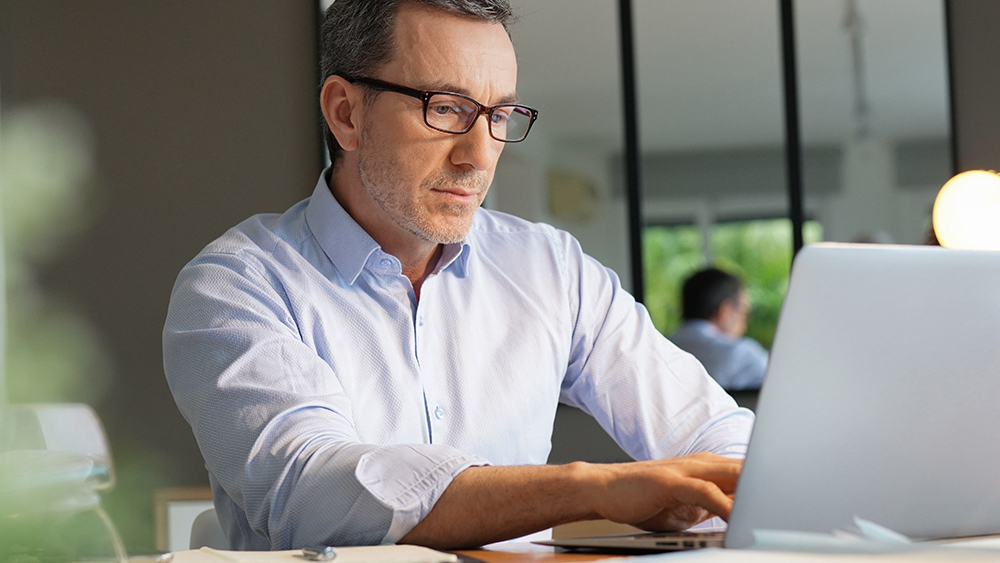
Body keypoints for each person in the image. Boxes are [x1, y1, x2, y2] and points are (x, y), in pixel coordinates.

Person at [163, 0, 754, 551]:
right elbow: (317, 493)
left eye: (499, 115)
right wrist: (588, 489)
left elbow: (717, 434)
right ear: (346, 113)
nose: (480, 154)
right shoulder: (235, 286)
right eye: (446, 109)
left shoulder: (554, 270)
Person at [669, 268, 769, 391]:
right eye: (744, 313)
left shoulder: (659, 347)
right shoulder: (741, 354)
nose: (745, 325)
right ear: (724, 312)